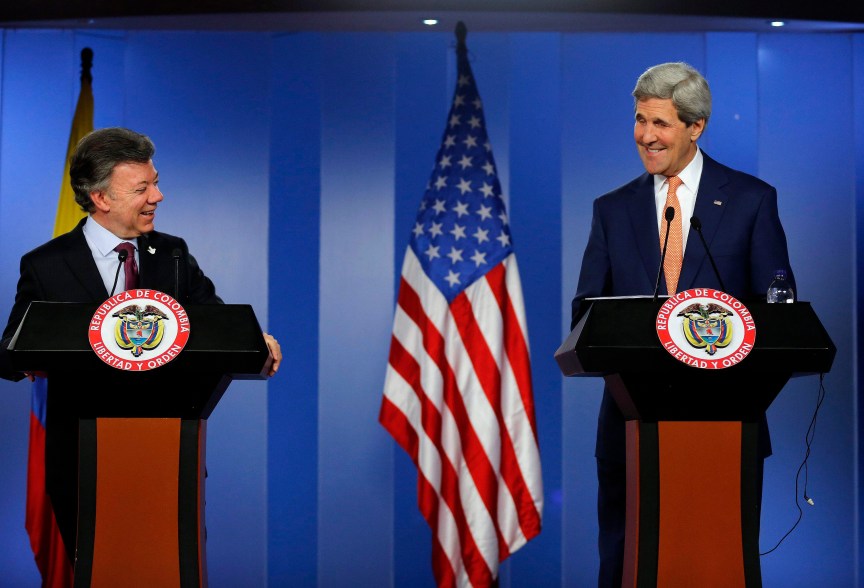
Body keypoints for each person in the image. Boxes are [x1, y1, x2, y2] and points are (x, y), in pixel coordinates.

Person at [0, 126, 282, 573]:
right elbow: (10, 351)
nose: (159, 196)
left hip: (167, 453)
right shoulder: (47, 264)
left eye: (156, 182)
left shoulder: (171, 254)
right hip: (82, 459)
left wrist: (255, 341)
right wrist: (34, 354)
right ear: (101, 198)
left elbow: (215, 322)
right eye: (143, 187)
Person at [570, 62, 794, 587]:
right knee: (627, 563)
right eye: (639, 120)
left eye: (661, 124)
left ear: (696, 127)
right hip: (630, 427)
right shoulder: (613, 209)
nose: (645, 136)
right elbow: (586, 312)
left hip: (725, 422)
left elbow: (778, 309)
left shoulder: (751, 201)